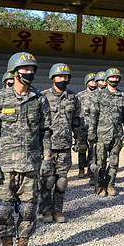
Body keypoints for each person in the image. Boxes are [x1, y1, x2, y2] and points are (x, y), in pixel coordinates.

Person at [0, 52, 52, 246]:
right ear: (14, 73)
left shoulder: (40, 99)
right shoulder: (0, 98)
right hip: (5, 166)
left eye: (32, 69)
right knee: (2, 210)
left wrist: (47, 158)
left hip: (31, 165)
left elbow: (46, 132)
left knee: (28, 210)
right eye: (25, 69)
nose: (29, 72)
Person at [40, 62, 84, 224]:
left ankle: (58, 210)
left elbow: (77, 121)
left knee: (62, 181)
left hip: (65, 146)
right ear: (53, 78)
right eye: (59, 76)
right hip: (47, 147)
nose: (62, 79)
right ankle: (45, 211)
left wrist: (78, 139)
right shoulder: (43, 97)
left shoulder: (73, 98)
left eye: (65, 77)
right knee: (47, 180)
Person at [90, 67, 124, 196]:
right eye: (112, 77)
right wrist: (91, 133)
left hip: (117, 134)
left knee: (114, 162)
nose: (115, 79)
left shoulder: (123, 96)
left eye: (117, 77)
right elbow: (93, 115)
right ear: (107, 80)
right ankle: (100, 185)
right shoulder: (98, 95)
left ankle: (111, 185)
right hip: (102, 134)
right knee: (100, 162)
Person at [77, 73, 98, 180]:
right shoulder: (80, 95)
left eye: (95, 81)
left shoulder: (98, 95)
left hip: (93, 128)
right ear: (86, 82)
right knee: (82, 148)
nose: (93, 83)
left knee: (92, 151)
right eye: (91, 81)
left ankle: (91, 172)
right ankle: (81, 169)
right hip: (82, 126)